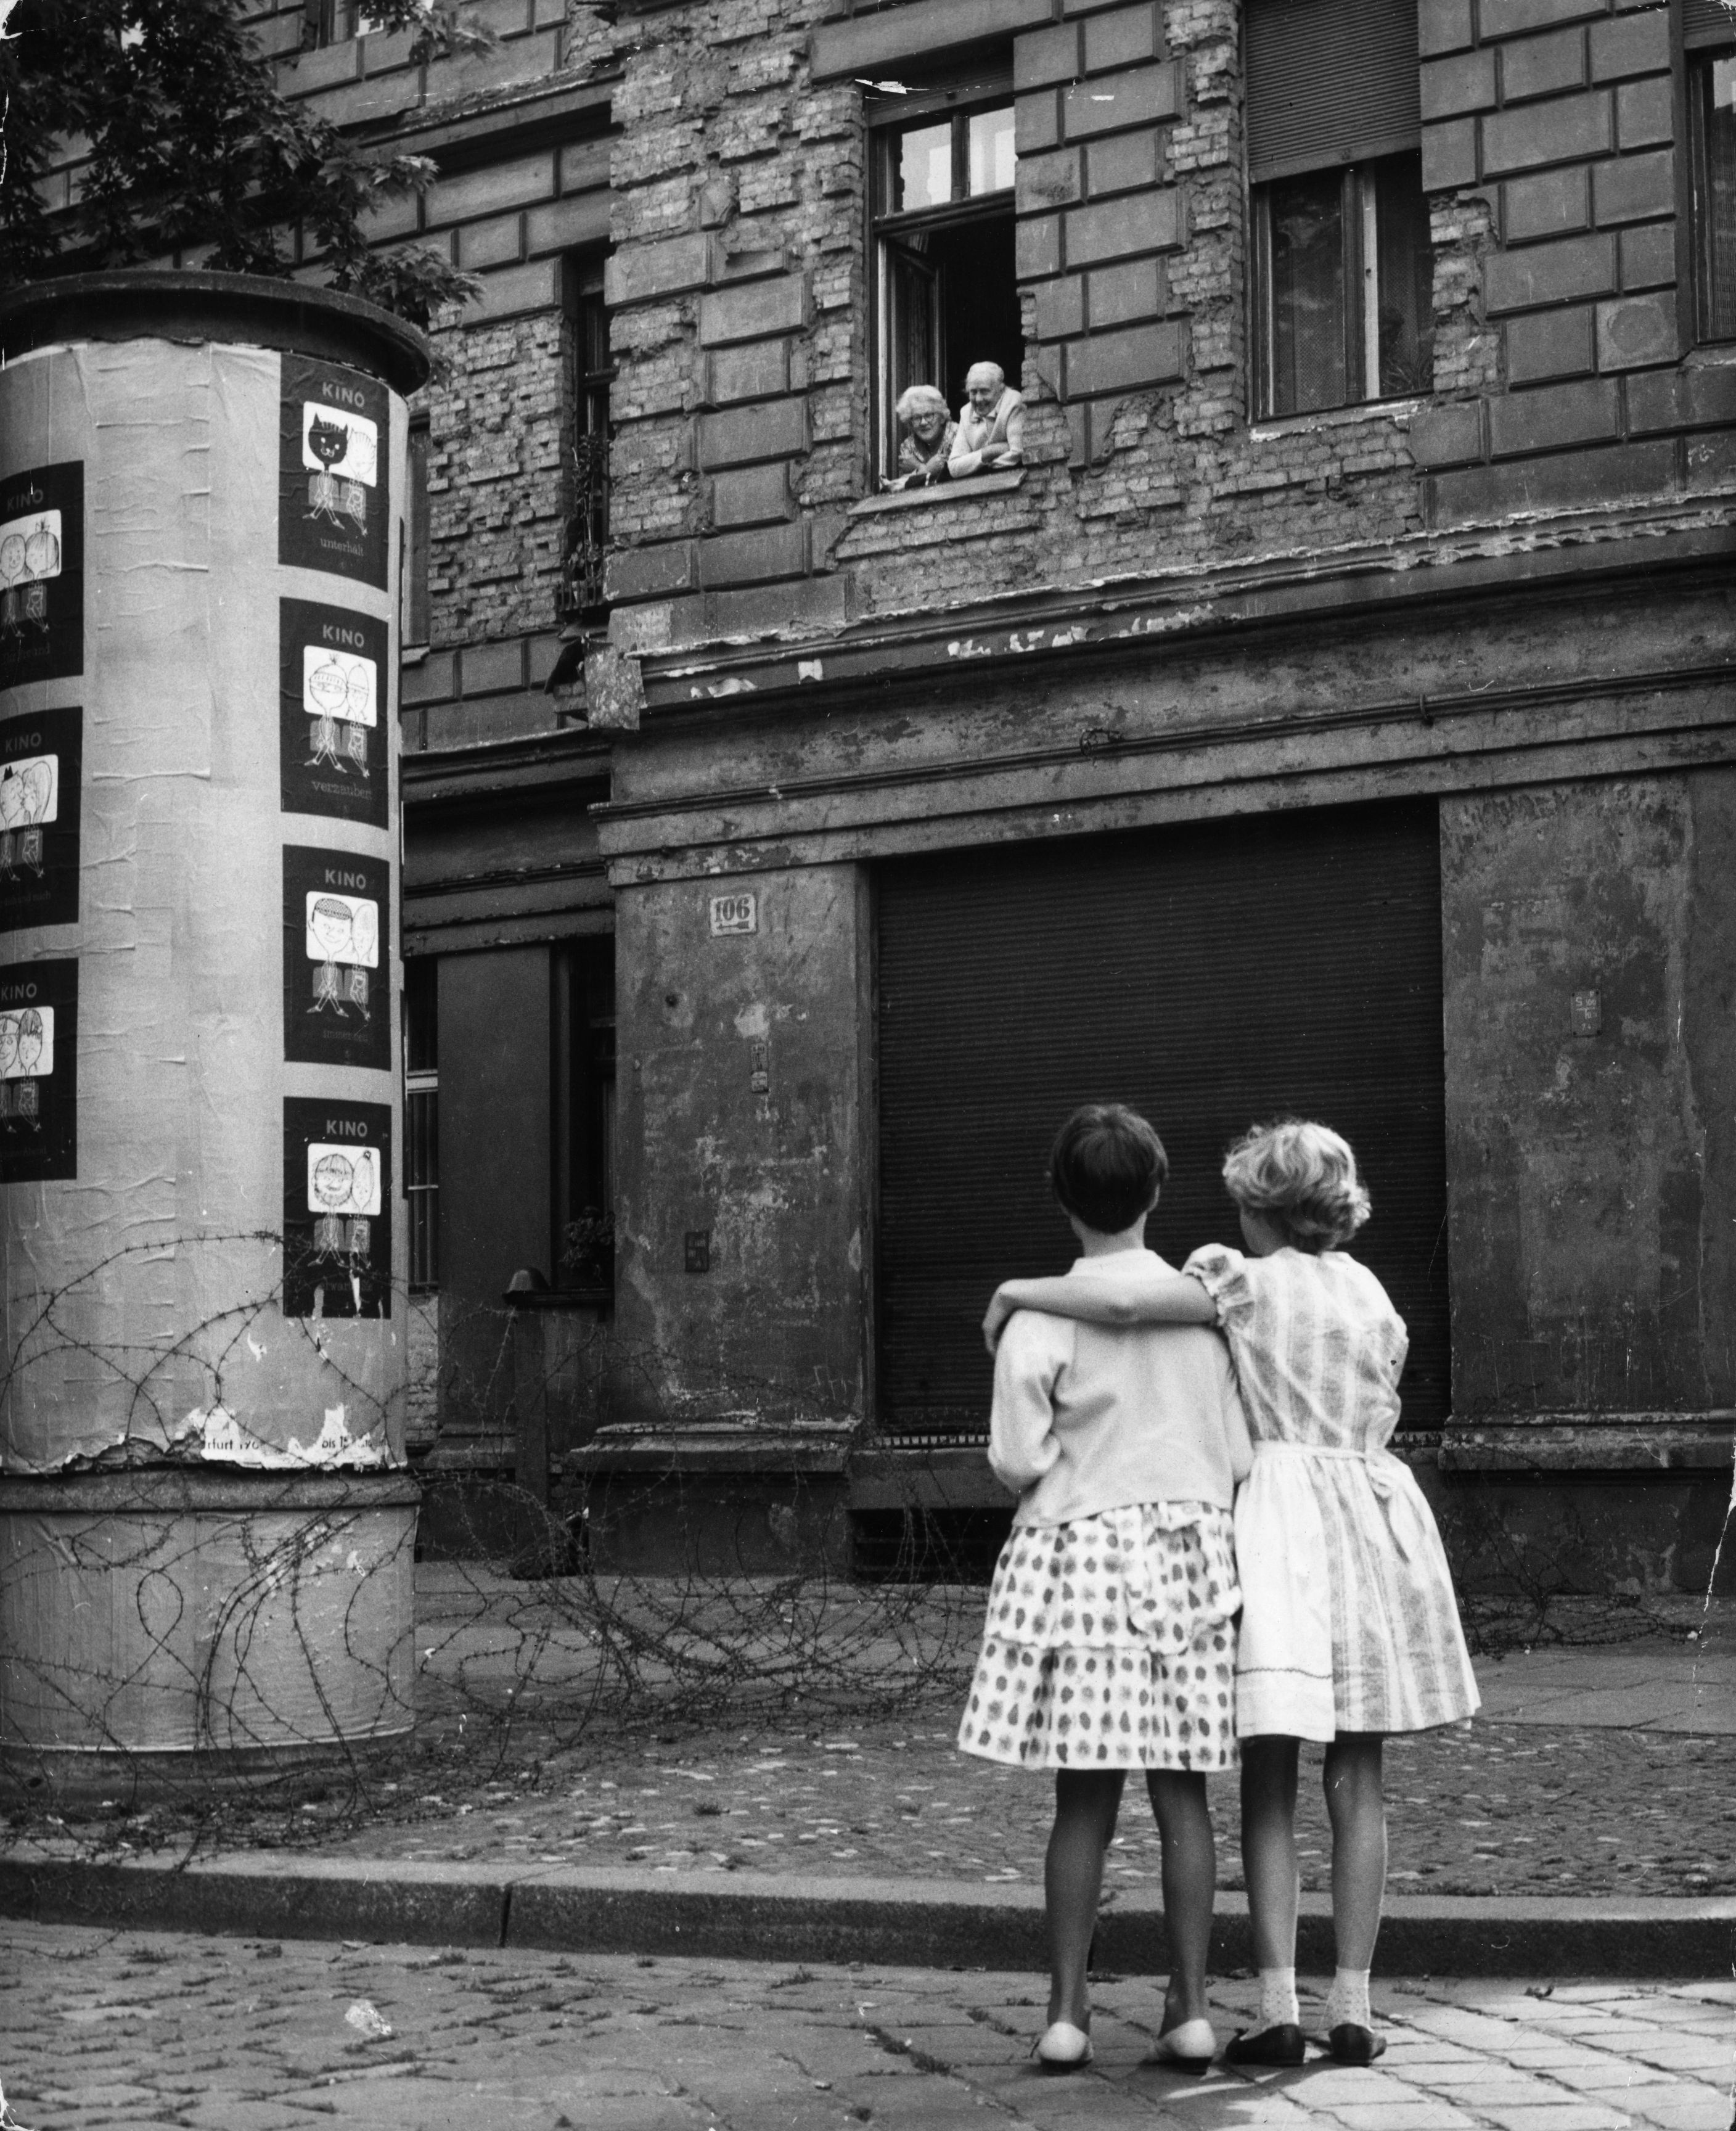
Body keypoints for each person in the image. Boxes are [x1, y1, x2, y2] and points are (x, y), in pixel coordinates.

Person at [983, 1119, 1481, 2069]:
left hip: (1286, 1524)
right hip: (1371, 1520)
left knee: (1265, 1770)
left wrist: (1013, 1291)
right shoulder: (1372, 1293)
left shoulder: (1235, 1283)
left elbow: (1126, 1312)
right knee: (1358, 1774)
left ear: (1258, 1207)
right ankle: (1353, 2004)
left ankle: (1274, 2003)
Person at [960, 1103, 1253, 2075]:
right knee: (1184, 1796)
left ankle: (1067, 2009)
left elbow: (1014, 1459)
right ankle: (1193, 2008)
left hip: (1078, 1561)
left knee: (1080, 1799)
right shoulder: (1206, 1314)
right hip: (1186, 1563)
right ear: (1160, 1191)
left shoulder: (1038, 1318)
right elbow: (1240, 1450)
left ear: (1060, 1199)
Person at [948, 361, 1025, 478]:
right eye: (973, 392)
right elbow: (954, 468)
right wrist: (990, 452)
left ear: (1001, 390)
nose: (978, 399)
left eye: (984, 391)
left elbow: (1017, 454)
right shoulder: (966, 412)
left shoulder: (1013, 402)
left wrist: (975, 467)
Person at [885, 384, 957, 489]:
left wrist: (919, 468)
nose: (923, 423)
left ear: (942, 418)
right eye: (917, 418)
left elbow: (956, 478)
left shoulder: (956, 435)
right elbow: (907, 487)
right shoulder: (908, 447)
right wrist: (928, 469)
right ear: (910, 424)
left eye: (929, 416)